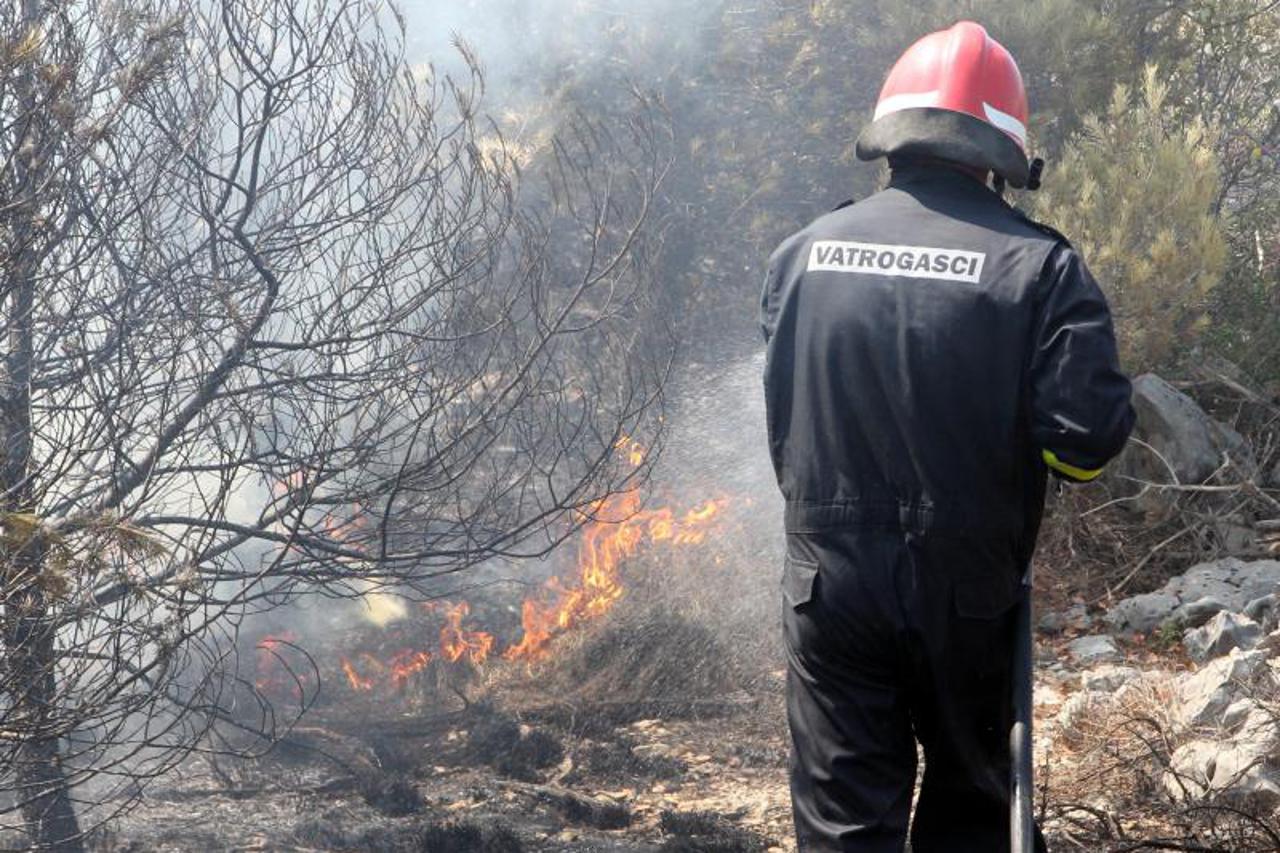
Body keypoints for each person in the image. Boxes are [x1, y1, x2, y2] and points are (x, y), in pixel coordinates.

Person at [759, 21, 1135, 853]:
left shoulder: (801, 255)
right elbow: (1085, 442)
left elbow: (784, 421)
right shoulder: (1039, 267)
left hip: (829, 584)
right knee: (972, 815)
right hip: (965, 593)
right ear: (1002, 153)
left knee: (843, 828)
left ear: (892, 133)